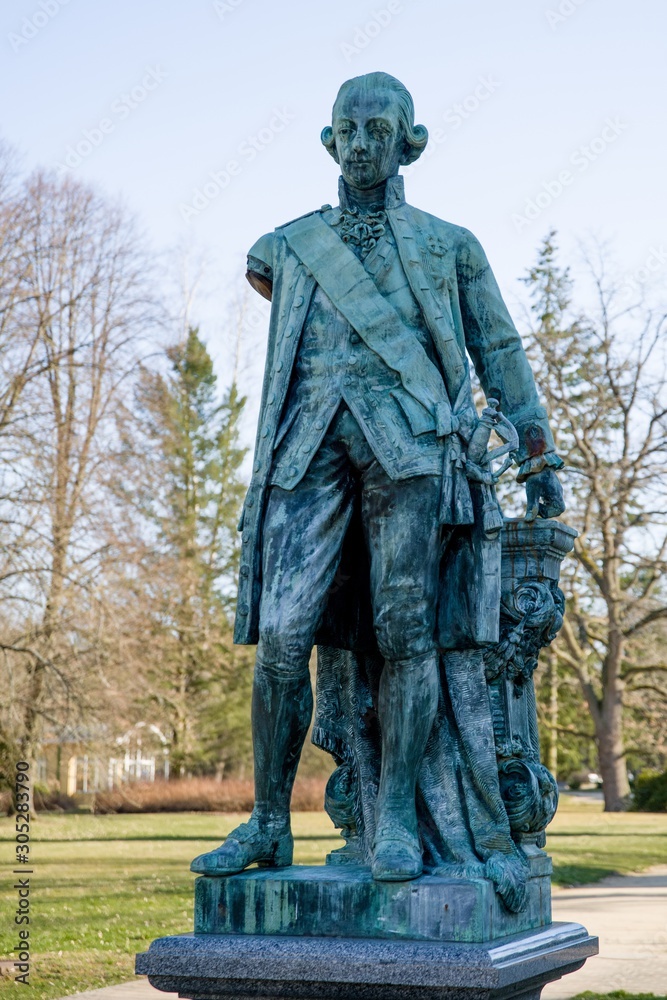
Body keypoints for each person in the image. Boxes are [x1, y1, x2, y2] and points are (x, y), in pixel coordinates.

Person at [191, 72, 564, 891]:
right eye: (347, 130)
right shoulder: (284, 247)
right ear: (329, 141)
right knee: (281, 641)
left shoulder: (449, 244)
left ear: (409, 142)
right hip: (305, 448)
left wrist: (537, 456)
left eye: (378, 129)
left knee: (406, 636)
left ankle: (393, 813)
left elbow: (497, 350)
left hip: (413, 453)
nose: (362, 144)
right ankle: (265, 823)